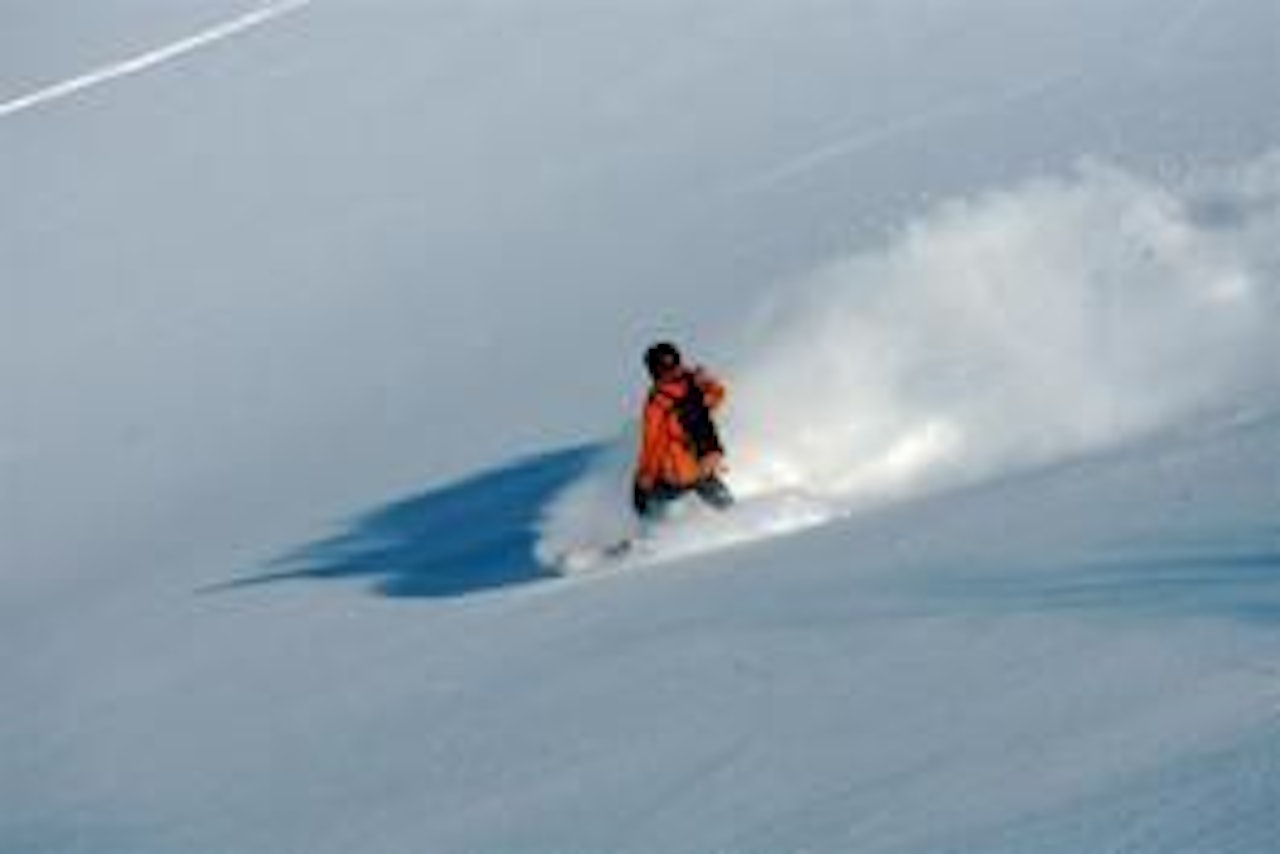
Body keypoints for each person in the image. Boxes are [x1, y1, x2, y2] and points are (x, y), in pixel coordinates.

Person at [632, 341, 734, 519]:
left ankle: (652, 530)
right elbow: (717, 396)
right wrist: (707, 381)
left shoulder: (657, 401)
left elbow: (652, 445)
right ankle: (740, 518)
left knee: (646, 497)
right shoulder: (693, 383)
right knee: (723, 503)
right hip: (706, 463)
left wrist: (644, 479)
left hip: (678, 475)